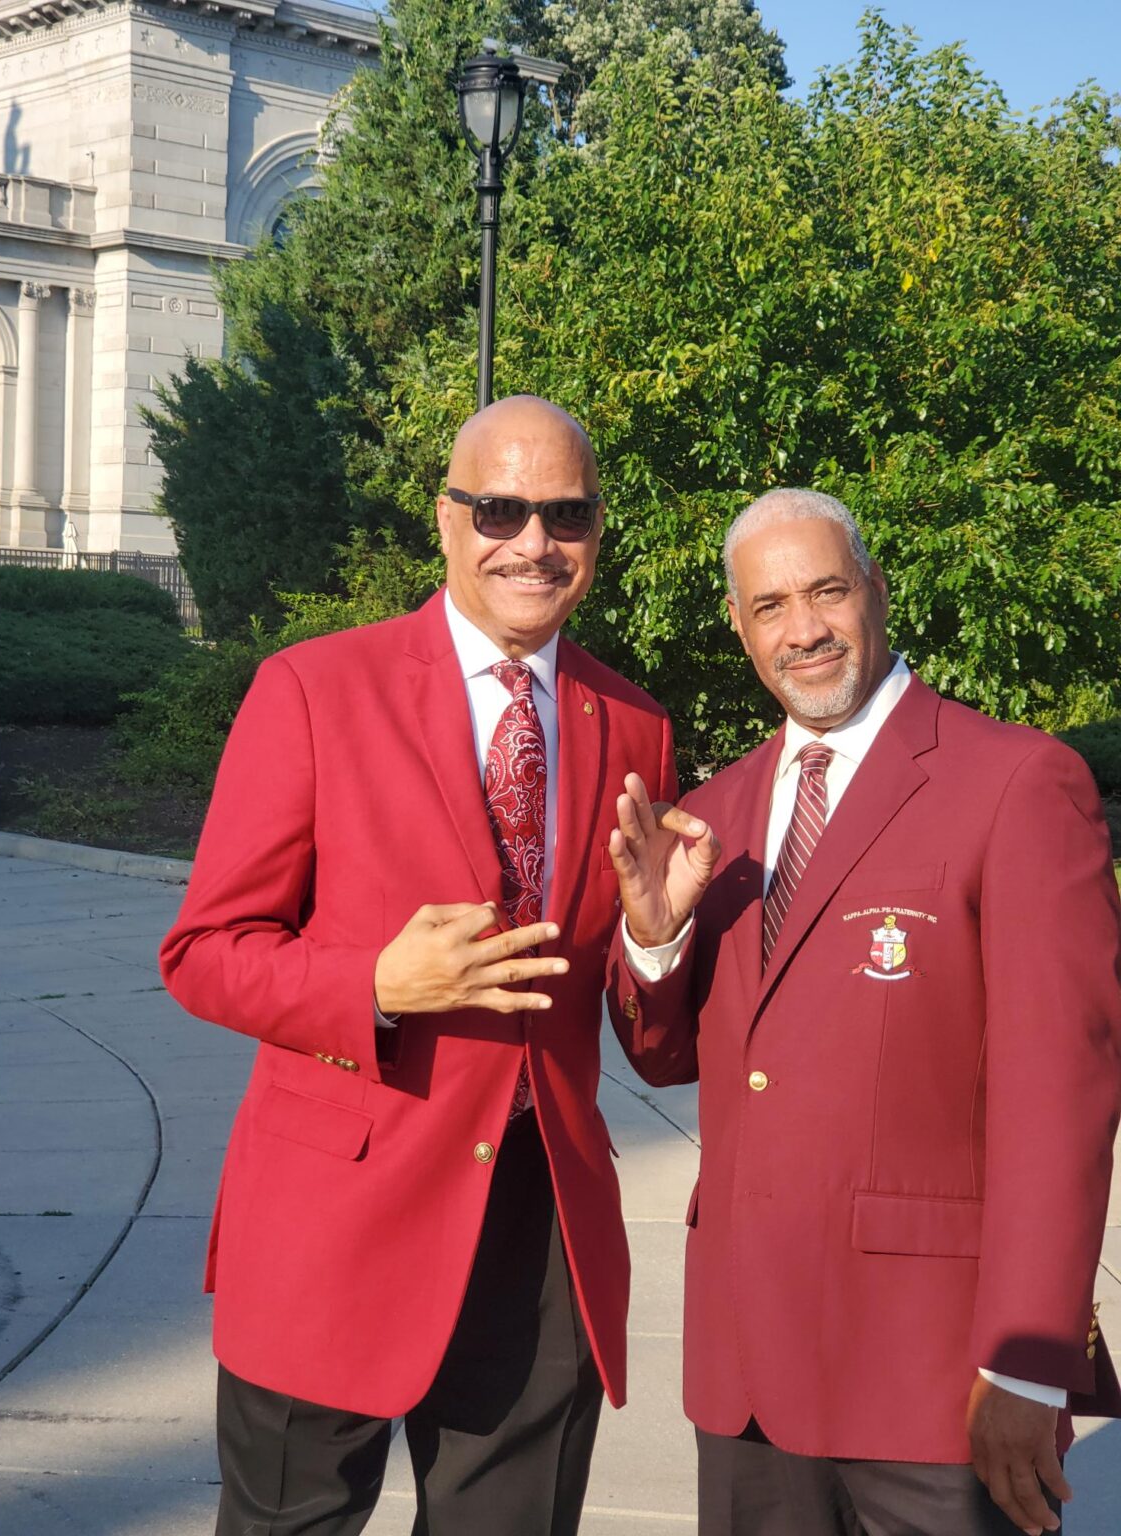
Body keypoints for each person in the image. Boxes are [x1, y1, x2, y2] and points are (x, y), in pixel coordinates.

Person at [159, 395, 678, 1536]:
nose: (532, 543)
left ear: (596, 534)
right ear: (447, 520)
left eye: (566, 515)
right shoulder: (313, 689)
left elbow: (649, 1034)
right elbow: (203, 955)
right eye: (500, 509)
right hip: (335, 1215)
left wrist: (654, 938)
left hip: (540, 1235)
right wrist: (377, 988)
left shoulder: (634, 725)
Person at [606, 488, 1121, 1536]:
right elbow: (665, 1063)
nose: (803, 629)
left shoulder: (1017, 781)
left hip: (932, 1384)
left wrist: (1027, 1365)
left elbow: (1060, 1099)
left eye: (826, 591)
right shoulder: (721, 812)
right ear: (739, 627)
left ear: (876, 593)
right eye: (769, 607)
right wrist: (653, 939)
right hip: (746, 1375)